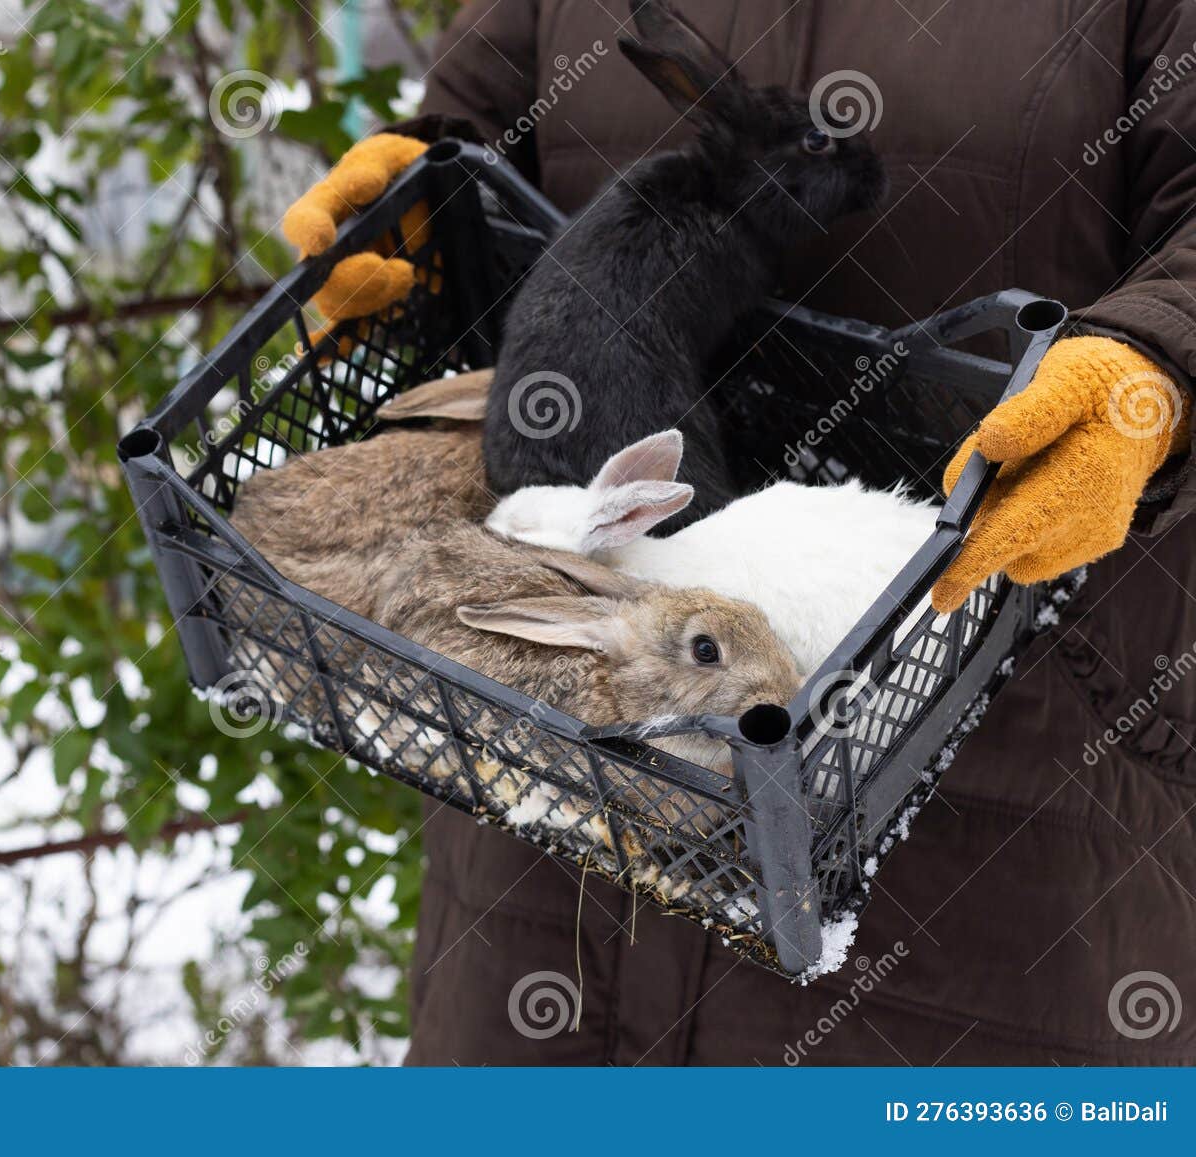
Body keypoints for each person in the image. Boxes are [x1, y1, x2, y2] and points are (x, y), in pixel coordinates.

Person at [283, 0, 1196, 1064]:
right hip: (562, 839)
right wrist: (423, 201)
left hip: (1003, 804)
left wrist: (1157, 362)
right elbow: (485, 129)